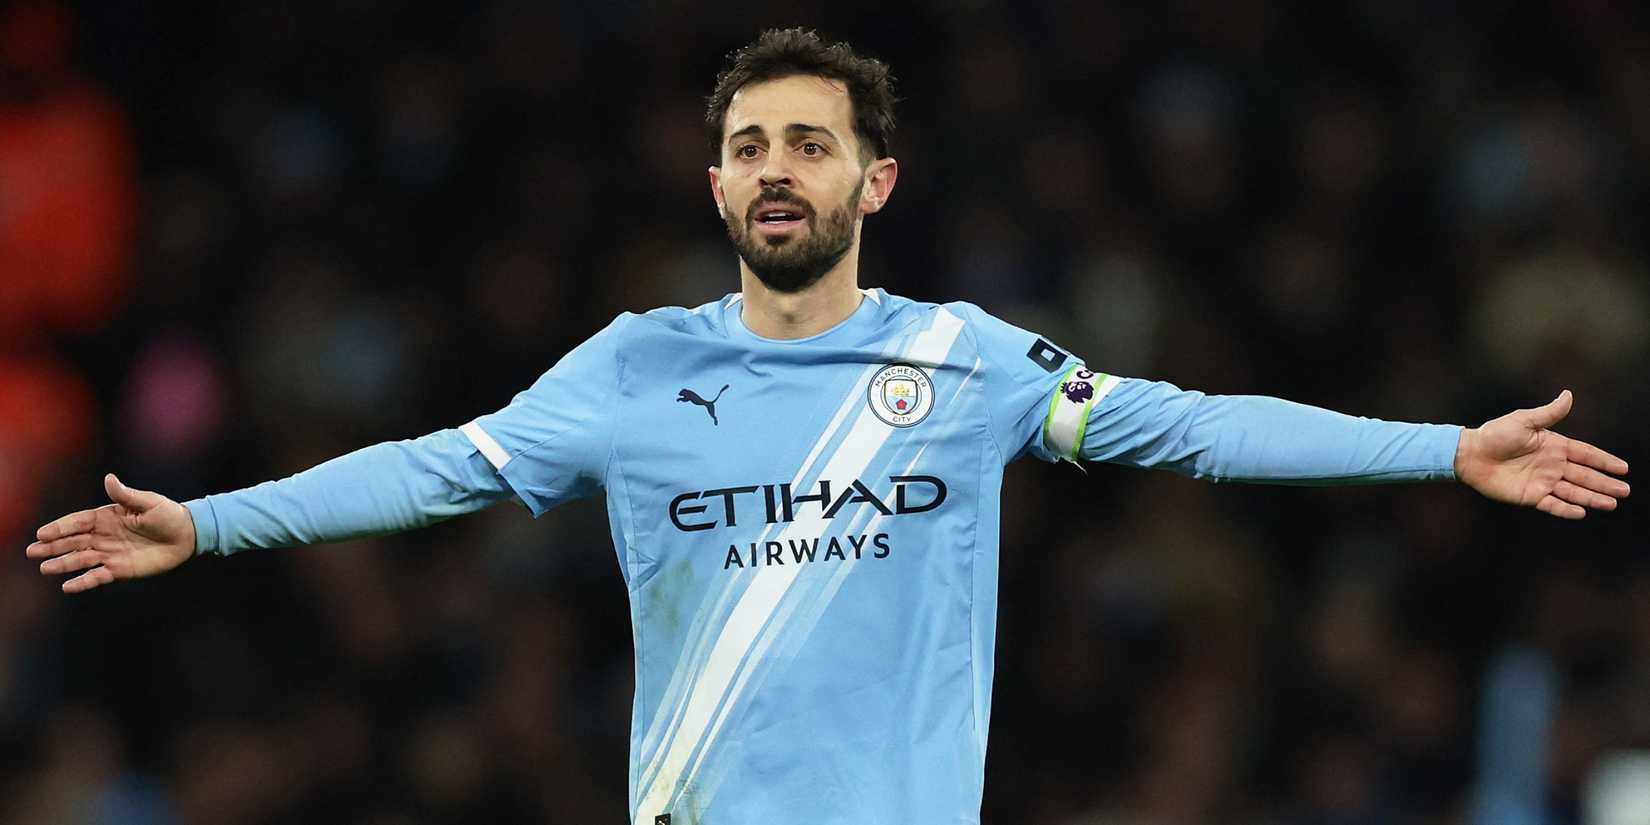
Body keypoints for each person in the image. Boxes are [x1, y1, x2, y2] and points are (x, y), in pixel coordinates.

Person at [25, 28, 1631, 825]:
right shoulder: (631, 365)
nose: (775, 163)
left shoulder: (970, 359)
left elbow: (1196, 428)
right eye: (747, 143)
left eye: (810, 139)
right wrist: (210, 519)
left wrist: (1442, 447)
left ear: (875, 182)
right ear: (715, 184)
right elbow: (439, 466)